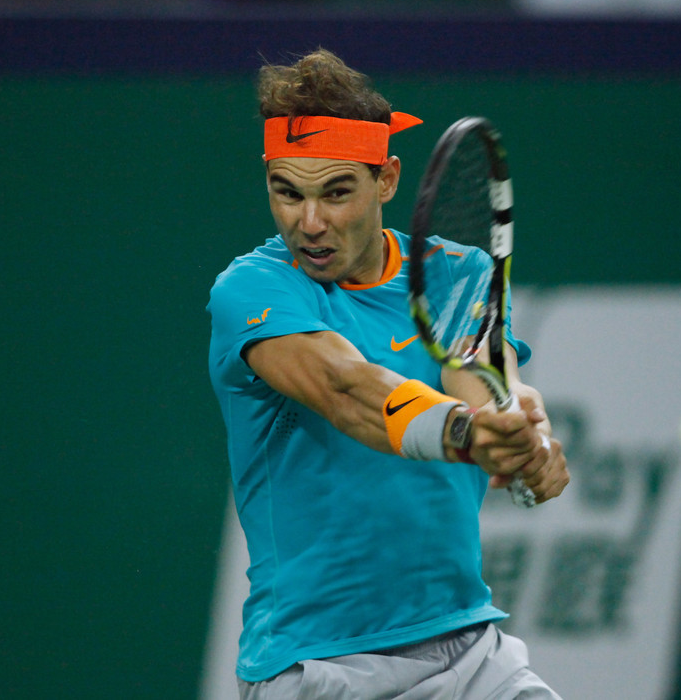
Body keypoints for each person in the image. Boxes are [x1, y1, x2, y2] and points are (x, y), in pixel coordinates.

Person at [207, 48, 570, 699]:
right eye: (286, 191)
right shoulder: (251, 289)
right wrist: (469, 433)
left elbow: (485, 383)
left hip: (470, 652)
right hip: (319, 669)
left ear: (387, 178)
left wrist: (521, 432)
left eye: (336, 191)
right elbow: (350, 391)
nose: (308, 223)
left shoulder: (457, 273)